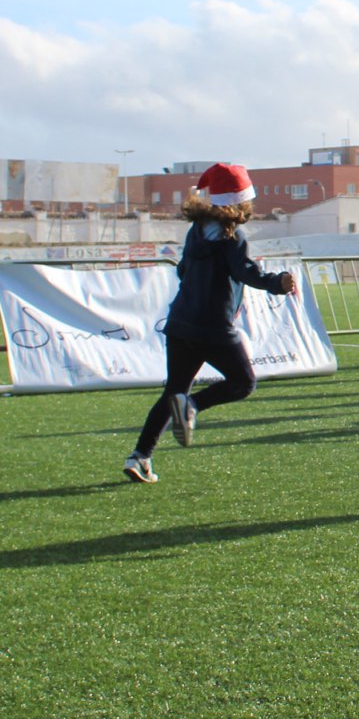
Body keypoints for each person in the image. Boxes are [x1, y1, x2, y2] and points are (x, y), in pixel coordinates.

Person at [124, 163, 299, 481]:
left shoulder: (196, 231)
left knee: (172, 392)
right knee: (243, 383)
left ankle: (140, 456)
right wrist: (279, 282)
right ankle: (190, 406)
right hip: (214, 327)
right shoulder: (234, 236)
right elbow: (247, 272)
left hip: (180, 323)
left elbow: (182, 271)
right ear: (242, 201)